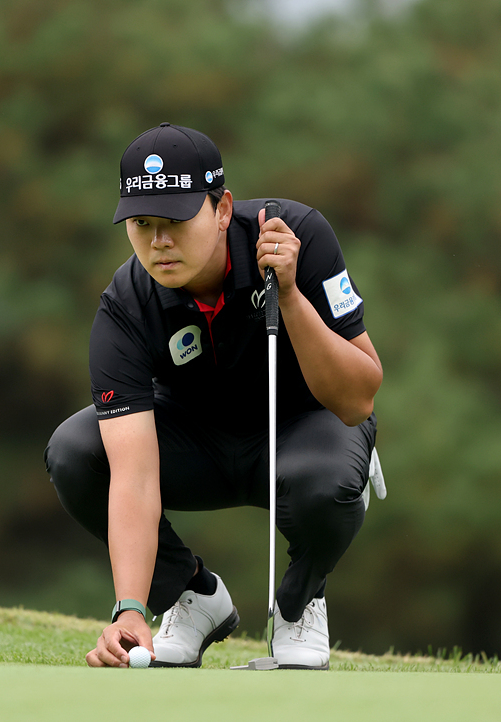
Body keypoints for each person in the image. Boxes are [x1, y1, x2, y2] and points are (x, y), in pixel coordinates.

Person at [44, 123, 382, 669]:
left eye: (176, 221)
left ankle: (300, 602)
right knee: (75, 452)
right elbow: (134, 474)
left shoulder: (296, 235)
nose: (159, 241)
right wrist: (130, 608)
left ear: (222, 209)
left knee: (326, 482)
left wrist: (291, 297)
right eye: (142, 223)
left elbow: (358, 399)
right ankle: (190, 596)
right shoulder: (126, 304)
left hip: (306, 428)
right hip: (197, 440)